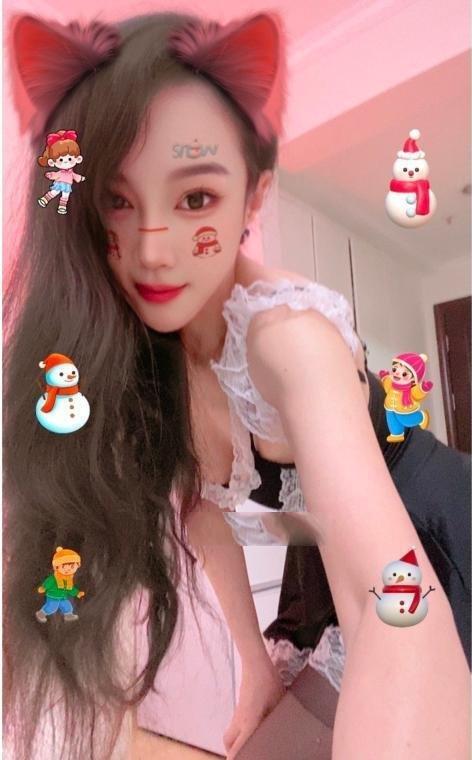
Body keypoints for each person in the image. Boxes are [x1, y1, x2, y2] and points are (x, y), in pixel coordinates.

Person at [3, 9, 469, 760]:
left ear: (253, 198)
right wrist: (253, 665)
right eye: (118, 200)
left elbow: (390, 607)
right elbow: (202, 514)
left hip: (437, 541)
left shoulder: (289, 339)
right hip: (327, 568)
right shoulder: (145, 360)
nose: (154, 250)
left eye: (195, 199)